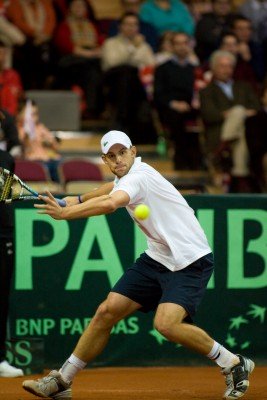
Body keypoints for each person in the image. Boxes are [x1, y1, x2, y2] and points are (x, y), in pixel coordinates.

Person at [23, 129, 255, 400]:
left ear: (133, 152)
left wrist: (66, 213)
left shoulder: (139, 177)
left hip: (190, 259)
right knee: (106, 311)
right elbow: (111, 187)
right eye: (112, 156)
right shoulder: (127, 174)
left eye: (123, 152)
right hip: (157, 257)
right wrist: (78, 198)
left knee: (167, 325)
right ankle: (63, 381)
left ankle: (234, 363)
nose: (118, 159)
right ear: (105, 160)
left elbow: (112, 202)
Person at [199, 50, 260, 192]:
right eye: (222, 66)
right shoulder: (207, 91)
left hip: (247, 132)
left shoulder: (244, 87)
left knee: (240, 121)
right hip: (217, 132)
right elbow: (209, 115)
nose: (226, 70)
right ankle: (241, 177)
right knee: (239, 114)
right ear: (213, 68)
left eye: (229, 66)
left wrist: (232, 114)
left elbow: (256, 108)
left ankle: (224, 146)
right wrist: (239, 113)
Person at [102, 12, 156, 144]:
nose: (131, 27)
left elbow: (151, 65)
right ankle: (122, 122)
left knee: (133, 75)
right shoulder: (111, 43)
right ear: (120, 26)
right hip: (115, 83)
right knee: (126, 72)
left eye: (134, 24)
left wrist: (133, 57)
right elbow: (113, 62)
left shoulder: (145, 46)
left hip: (138, 86)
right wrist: (133, 49)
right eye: (128, 24)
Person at [154, 32, 202, 170]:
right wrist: (173, 103)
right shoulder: (163, 68)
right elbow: (158, 94)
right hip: (170, 107)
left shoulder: (194, 69)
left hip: (191, 106)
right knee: (177, 120)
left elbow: (199, 90)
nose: (182, 47)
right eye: (178, 43)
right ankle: (181, 162)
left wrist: (194, 102)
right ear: (172, 46)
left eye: (185, 43)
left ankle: (198, 162)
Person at [54, 0, 104, 118]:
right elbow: (65, 45)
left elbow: (100, 42)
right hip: (71, 62)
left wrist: (96, 51)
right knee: (91, 72)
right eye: (75, 5)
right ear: (70, 8)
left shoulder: (91, 25)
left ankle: (94, 108)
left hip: (91, 60)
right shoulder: (65, 25)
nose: (78, 8)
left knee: (95, 71)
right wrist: (88, 53)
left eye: (81, 6)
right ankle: (91, 109)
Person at [0, 150, 24, 378]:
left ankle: (0, 360)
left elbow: (6, 196)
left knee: (2, 298)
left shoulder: (6, 159)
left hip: (3, 235)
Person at [17, 100, 62, 182]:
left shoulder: (40, 127)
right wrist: (29, 133)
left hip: (49, 159)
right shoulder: (20, 129)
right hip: (34, 162)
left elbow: (56, 146)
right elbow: (23, 144)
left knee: (61, 165)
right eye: (31, 114)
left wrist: (50, 141)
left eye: (36, 113)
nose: (35, 117)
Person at [0, 40, 23, 116]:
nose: (1, 57)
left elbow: (20, 97)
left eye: (3, 53)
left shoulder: (13, 75)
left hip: (11, 119)